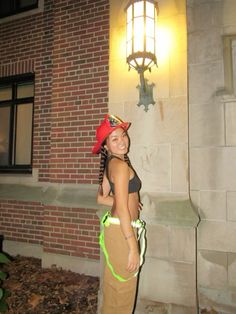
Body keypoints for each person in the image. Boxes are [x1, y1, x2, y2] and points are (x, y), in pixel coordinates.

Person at [92, 114, 146, 314]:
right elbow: (122, 210)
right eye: (114, 139)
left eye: (123, 135)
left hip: (116, 229)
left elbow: (100, 197)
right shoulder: (121, 166)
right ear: (106, 146)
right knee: (123, 293)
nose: (122, 141)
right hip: (123, 232)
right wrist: (133, 247)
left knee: (115, 290)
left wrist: (128, 198)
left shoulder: (112, 164)